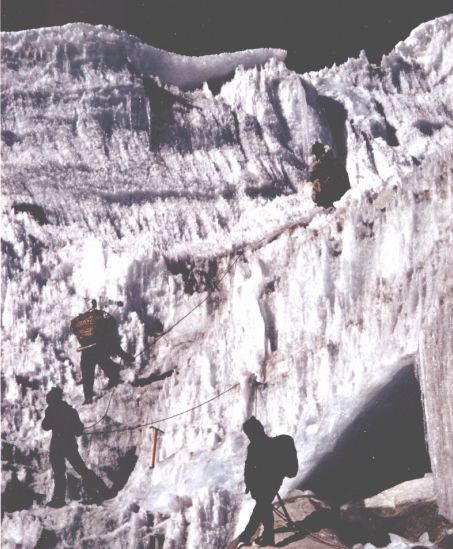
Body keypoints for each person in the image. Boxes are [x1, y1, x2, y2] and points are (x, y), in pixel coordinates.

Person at [42, 387, 111, 508]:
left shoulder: (51, 410)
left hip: (57, 446)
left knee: (59, 473)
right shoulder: (70, 411)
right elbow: (78, 431)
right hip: (68, 445)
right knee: (81, 469)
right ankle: (102, 489)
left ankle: (59, 499)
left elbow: (45, 426)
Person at [71, 300, 134, 404]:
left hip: (87, 350)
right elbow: (115, 347)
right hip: (97, 349)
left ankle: (88, 397)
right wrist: (127, 357)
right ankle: (113, 378)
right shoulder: (102, 321)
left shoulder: (84, 321)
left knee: (88, 373)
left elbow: (74, 328)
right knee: (104, 364)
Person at [237, 417, 284, 547]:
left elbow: (250, 468)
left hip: (263, 485)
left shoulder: (253, 446)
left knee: (262, 508)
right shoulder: (271, 442)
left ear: (251, 433)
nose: (247, 436)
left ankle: (256, 537)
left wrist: (250, 484)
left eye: (247, 433)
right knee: (263, 508)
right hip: (273, 482)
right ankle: (252, 535)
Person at [308, 142, 350, 208]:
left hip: (337, 195)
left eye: (316, 154)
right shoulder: (327, 161)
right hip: (339, 194)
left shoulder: (326, 163)